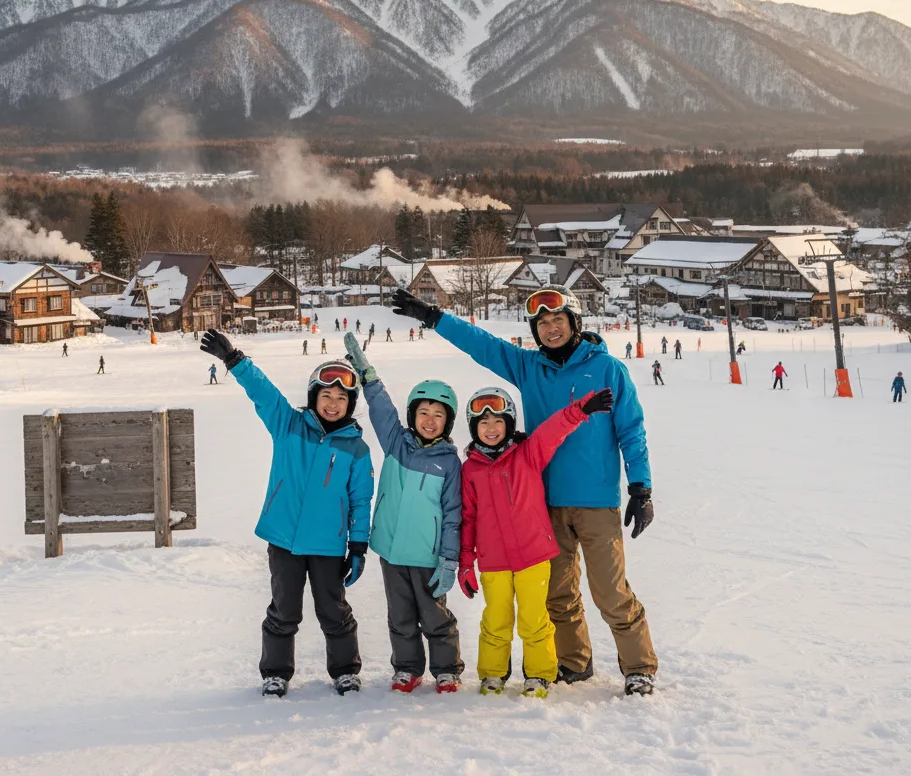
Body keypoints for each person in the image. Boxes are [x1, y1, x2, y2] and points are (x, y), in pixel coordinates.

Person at [393, 284, 657, 697]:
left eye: (558, 320)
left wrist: (640, 486)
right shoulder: (528, 367)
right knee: (558, 594)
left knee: (610, 591)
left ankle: (638, 667)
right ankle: (574, 663)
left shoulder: (607, 369)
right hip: (543, 505)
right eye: (543, 323)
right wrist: (432, 317)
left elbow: (631, 429)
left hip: (595, 501)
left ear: (574, 323)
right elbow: (482, 345)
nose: (551, 329)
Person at [200, 331, 372, 698]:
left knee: (334, 611)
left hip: (328, 545)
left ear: (350, 404)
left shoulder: (356, 449)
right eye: (326, 395)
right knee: (284, 610)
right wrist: (235, 360)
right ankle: (275, 673)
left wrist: (358, 547)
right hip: (285, 540)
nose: (332, 403)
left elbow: (361, 500)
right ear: (314, 397)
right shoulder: (289, 426)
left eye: (341, 398)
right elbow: (263, 393)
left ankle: (345, 671)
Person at [459, 385, 613, 698]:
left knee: (534, 620)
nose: (491, 429)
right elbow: (468, 518)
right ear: (474, 428)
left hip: (532, 555)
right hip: (494, 561)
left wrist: (582, 408)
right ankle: (493, 675)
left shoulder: (528, 454)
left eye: (498, 421)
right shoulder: (470, 469)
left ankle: (539, 675)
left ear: (510, 423)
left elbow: (554, 429)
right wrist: (465, 562)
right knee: (496, 621)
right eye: (483, 423)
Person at [344, 334, 464, 693]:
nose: (430, 420)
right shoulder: (397, 444)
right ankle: (408, 667)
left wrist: (448, 560)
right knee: (400, 616)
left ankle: (447, 668)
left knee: (435, 616)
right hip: (392, 551)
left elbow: (453, 513)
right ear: (413, 416)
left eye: (438, 415)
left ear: (448, 421)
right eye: (423, 413)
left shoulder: (450, 464)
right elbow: (382, 411)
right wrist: (368, 377)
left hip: (427, 556)